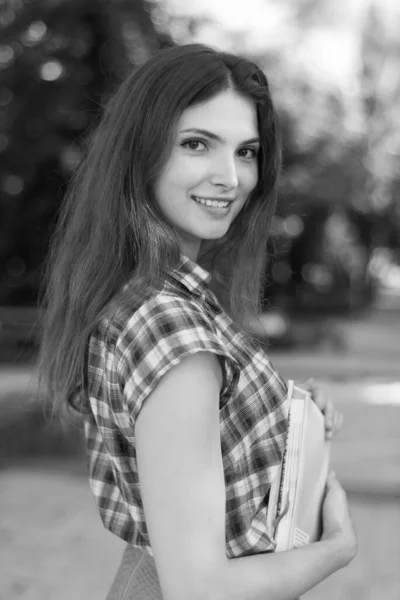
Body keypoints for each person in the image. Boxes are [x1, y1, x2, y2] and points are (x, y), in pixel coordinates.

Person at [37, 43, 357, 600]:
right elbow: (200, 589)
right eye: (196, 145)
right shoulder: (173, 327)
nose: (230, 177)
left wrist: (287, 412)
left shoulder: (149, 298)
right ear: (141, 153)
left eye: (247, 152)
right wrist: (334, 550)